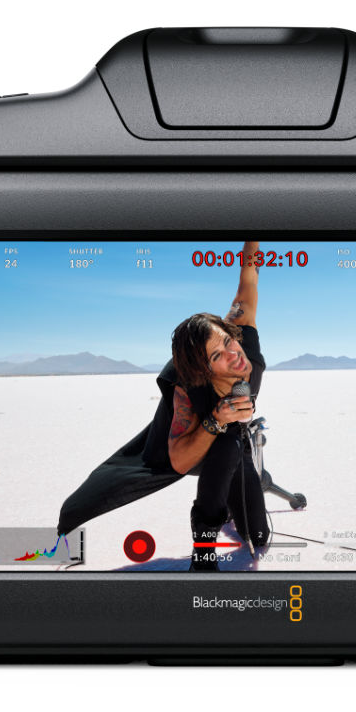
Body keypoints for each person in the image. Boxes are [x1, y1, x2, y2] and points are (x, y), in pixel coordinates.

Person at [56, 240, 269, 571]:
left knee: (258, 536)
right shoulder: (189, 389)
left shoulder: (241, 336)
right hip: (192, 443)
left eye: (228, 341)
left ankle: (230, 501)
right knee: (226, 444)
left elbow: (249, 275)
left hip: (235, 445)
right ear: (204, 370)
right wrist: (216, 419)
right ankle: (203, 551)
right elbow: (180, 460)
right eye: (217, 355)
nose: (233, 355)